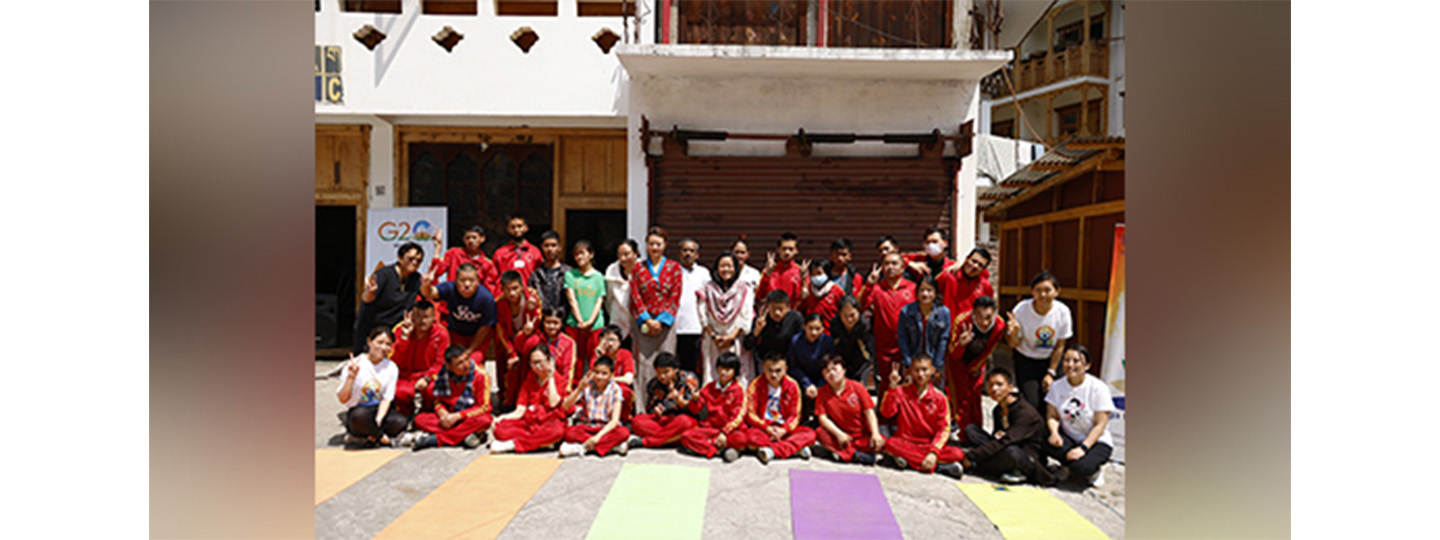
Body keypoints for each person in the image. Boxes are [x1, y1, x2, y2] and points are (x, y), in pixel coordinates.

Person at [960, 367, 1055, 485]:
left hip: (1025, 457)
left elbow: (1006, 441)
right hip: (1004, 448)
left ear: (1010, 387)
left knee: (1011, 453)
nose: (994, 389)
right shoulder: (998, 410)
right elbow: (996, 437)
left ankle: (976, 464)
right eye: (990, 385)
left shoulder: (1026, 413)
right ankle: (984, 463)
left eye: (999, 385)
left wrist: (971, 455)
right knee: (971, 430)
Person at [879, 354, 964, 478]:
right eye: (916, 370)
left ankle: (909, 462)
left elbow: (943, 429)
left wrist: (933, 453)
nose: (920, 374)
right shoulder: (901, 391)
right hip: (905, 442)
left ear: (932, 370)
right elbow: (886, 413)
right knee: (890, 444)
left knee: (958, 453)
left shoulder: (940, 398)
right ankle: (939, 467)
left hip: (928, 444)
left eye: (924, 369)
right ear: (910, 371)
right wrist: (892, 387)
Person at [1044, 344, 1115, 487]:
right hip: (1070, 438)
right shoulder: (1057, 386)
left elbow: (1101, 424)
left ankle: (1093, 470)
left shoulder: (1098, 388)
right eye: (1066, 360)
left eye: (1076, 361)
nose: (1070, 365)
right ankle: (1067, 464)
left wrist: (1083, 448)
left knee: (1082, 467)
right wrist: (1054, 433)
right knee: (1042, 438)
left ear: (1087, 365)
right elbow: (1052, 415)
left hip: (1095, 441)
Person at [630, 227, 683, 410]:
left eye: (658, 244)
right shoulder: (638, 268)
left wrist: (661, 321)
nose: (654, 247)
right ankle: (642, 409)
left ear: (665, 245)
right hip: (644, 325)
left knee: (667, 365)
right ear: (646, 245)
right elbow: (635, 295)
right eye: (651, 244)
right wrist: (646, 319)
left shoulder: (674, 268)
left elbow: (675, 295)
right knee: (644, 366)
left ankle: (669, 408)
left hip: (665, 326)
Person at [1005, 270, 1074, 412]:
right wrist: (1014, 333)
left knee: (1055, 401)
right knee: (1032, 404)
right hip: (1026, 359)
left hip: (1051, 359)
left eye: (1048, 290)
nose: (1043, 295)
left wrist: (1051, 373)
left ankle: (1054, 433)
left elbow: (1060, 346)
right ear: (1032, 292)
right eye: (1038, 290)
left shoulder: (1063, 312)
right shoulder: (1021, 310)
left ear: (1057, 292)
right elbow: (1013, 344)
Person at [404, 345, 493, 451]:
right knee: (420, 419)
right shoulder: (443, 375)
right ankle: (466, 436)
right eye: (459, 363)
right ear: (449, 366)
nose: (466, 365)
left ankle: (436, 439)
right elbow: (438, 401)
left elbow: (484, 407)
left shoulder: (480, 376)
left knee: (485, 420)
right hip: (449, 417)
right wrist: (442, 413)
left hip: (467, 417)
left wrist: (457, 416)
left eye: (466, 359)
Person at [736, 354, 816, 464]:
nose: (773, 375)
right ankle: (795, 449)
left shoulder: (792, 385)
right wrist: (767, 428)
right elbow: (750, 414)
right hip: (764, 429)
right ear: (763, 368)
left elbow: (795, 415)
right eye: (770, 370)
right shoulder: (755, 384)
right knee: (750, 438)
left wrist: (784, 430)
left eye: (778, 371)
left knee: (810, 434)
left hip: (784, 428)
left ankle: (771, 451)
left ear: (785, 370)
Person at [490, 345, 569, 454]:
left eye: (540, 362)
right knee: (500, 429)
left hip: (549, 422)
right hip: (530, 423)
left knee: (557, 432)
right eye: (534, 363)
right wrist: (503, 417)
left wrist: (550, 378)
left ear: (549, 361)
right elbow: (520, 410)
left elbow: (553, 403)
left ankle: (514, 445)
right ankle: (540, 443)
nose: (537, 366)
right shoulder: (530, 378)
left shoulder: (558, 378)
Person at [355, 242, 431, 353]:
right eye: (410, 259)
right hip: (371, 328)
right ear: (399, 258)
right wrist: (369, 291)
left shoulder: (417, 279)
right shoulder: (384, 274)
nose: (415, 262)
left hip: (394, 331)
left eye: (418, 260)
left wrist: (426, 284)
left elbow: (426, 295)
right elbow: (367, 298)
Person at [337, 327, 406, 447]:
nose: (383, 348)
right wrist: (351, 377)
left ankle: (367, 436)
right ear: (369, 341)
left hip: (378, 409)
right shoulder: (356, 363)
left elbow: (386, 399)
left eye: (388, 344)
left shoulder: (392, 367)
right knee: (359, 417)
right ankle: (380, 437)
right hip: (359, 410)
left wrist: (379, 419)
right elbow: (342, 399)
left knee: (400, 422)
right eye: (379, 342)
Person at [947, 296, 1006, 434]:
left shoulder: (999, 324)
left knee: (975, 395)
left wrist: (976, 365)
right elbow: (952, 353)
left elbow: (990, 348)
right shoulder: (962, 321)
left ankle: (977, 430)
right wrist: (961, 344)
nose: (984, 322)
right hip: (958, 361)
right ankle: (964, 432)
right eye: (979, 317)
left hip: (979, 360)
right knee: (961, 398)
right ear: (973, 314)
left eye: (988, 317)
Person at [859, 252, 916, 394]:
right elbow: (862, 304)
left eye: (894, 263)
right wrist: (869, 284)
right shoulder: (876, 289)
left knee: (908, 384)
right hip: (883, 347)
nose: (890, 267)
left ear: (902, 268)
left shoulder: (912, 288)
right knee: (885, 384)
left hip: (907, 347)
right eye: (886, 264)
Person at [813, 355, 885, 465]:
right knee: (819, 433)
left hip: (861, 435)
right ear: (823, 375)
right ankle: (855, 455)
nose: (831, 373)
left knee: (884, 442)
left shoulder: (857, 387)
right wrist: (839, 434)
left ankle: (844, 454)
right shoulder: (822, 392)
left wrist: (875, 434)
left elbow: (869, 412)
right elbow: (823, 418)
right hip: (840, 436)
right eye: (827, 371)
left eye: (834, 369)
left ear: (844, 370)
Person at [679, 352, 749, 462]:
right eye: (721, 368)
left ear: (735, 371)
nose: (723, 372)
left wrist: (724, 432)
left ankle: (711, 447)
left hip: (731, 430)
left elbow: (738, 416)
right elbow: (695, 409)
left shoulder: (739, 390)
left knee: (741, 439)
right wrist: (695, 399)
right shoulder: (709, 387)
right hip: (712, 428)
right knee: (686, 436)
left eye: (728, 369)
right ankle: (719, 450)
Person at [697, 251, 754, 386]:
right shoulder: (707, 289)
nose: (726, 269)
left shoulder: (744, 288)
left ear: (736, 268)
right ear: (716, 268)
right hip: (713, 342)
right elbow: (702, 315)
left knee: (737, 376)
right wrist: (714, 336)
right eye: (722, 266)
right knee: (713, 375)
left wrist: (730, 338)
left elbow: (745, 315)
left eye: (730, 266)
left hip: (736, 341)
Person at [421, 263, 496, 364]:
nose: (467, 284)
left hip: (478, 336)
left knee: (473, 363)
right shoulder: (450, 288)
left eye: (472, 280)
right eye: (462, 280)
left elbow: (485, 328)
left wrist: (469, 351)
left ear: (478, 281)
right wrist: (426, 284)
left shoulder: (486, 298)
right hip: (456, 333)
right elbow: (429, 293)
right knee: (455, 363)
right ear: (455, 280)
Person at [558, 356, 630, 458]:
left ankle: (584, 447)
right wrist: (579, 389)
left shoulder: (615, 389)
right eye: (596, 372)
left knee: (623, 432)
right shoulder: (587, 385)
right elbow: (565, 406)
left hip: (606, 429)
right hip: (587, 427)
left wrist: (597, 437)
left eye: (604, 373)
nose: (599, 377)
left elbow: (614, 421)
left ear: (611, 375)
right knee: (568, 432)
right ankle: (610, 447)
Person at [388, 300, 449, 417]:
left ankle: (425, 413)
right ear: (412, 316)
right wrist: (404, 338)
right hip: (405, 375)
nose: (422, 321)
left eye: (426, 317)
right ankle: (406, 414)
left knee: (433, 391)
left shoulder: (441, 334)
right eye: (418, 317)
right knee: (400, 392)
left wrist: (427, 378)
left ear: (433, 318)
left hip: (428, 375)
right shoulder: (400, 330)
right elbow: (393, 361)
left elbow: (440, 363)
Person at [628, 353, 700, 448]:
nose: (662, 376)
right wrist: (656, 412)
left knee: (687, 423)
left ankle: (647, 442)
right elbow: (650, 410)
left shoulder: (689, 379)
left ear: (676, 369)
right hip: (664, 422)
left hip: (680, 420)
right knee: (637, 421)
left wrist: (679, 400)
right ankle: (671, 439)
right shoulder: (653, 384)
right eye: (658, 372)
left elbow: (695, 409)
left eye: (666, 372)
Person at [495, 270, 543, 409]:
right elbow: (501, 331)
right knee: (503, 355)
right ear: (502, 289)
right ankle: (506, 397)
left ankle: (528, 396)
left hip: (528, 337)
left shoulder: (532, 299)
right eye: (508, 289)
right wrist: (511, 353)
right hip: (509, 339)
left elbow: (537, 322)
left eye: (515, 288)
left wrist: (529, 330)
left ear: (522, 287)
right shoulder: (499, 304)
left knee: (531, 346)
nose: (512, 293)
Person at [564, 240, 607, 375]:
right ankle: (575, 391)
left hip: (595, 326)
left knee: (595, 360)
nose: (579, 257)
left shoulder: (599, 277)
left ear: (591, 255)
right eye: (576, 254)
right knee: (576, 361)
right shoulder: (570, 275)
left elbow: (599, 301)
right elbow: (572, 299)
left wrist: (589, 322)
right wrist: (580, 321)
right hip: (574, 325)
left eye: (582, 253)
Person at [896, 275, 951, 380]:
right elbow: (902, 338)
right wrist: (908, 363)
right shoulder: (906, 311)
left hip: (934, 362)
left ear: (935, 293)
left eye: (929, 290)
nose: (925, 294)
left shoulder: (944, 312)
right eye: (922, 290)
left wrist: (937, 365)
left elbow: (943, 340)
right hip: (912, 362)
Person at [742, 290, 803, 376]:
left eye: (780, 309)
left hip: (788, 362)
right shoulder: (761, 320)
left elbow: (801, 343)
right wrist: (756, 331)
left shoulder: (796, 319)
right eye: (773, 308)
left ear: (788, 307)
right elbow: (747, 345)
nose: (777, 313)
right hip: (765, 361)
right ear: (767, 307)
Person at [674, 238, 711, 375]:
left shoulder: (704, 273)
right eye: (684, 250)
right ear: (679, 253)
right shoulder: (673, 271)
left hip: (696, 327)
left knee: (694, 367)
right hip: (675, 327)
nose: (688, 254)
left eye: (691, 251)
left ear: (697, 255)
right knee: (676, 367)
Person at [787, 313, 834, 423]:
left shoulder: (828, 342)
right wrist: (807, 384)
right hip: (802, 378)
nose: (813, 332)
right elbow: (794, 366)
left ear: (823, 329)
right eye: (810, 328)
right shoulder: (796, 341)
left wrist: (820, 385)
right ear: (804, 327)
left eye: (817, 329)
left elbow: (829, 365)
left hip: (822, 379)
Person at [429, 226, 500, 297]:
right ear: (463, 240)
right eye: (467, 238)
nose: (471, 241)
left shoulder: (487, 264)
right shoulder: (453, 253)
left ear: (482, 239)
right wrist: (437, 250)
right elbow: (436, 272)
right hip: (451, 300)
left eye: (474, 237)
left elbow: (489, 290)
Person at [526, 307, 579, 395]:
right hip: (536, 384)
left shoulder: (568, 343)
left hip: (557, 384)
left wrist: (565, 390)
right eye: (548, 322)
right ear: (543, 323)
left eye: (555, 323)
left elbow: (568, 369)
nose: (551, 326)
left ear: (561, 324)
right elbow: (521, 349)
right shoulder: (536, 339)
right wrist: (525, 334)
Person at [828, 295, 877, 390]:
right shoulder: (835, 324)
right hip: (842, 361)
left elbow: (868, 351)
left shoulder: (865, 325)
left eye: (852, 315)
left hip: (861, 363)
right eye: (845, 316)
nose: (849, 320)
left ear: (859, 312)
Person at [591, 325, 637, 422]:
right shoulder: (597, 354)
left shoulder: (625, 354)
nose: (610, 344)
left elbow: (628, 379)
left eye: (613, 340)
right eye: (607, 340)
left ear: (620, 342)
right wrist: (599, 357)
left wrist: (608, 379)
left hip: (618, 389)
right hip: (599, 388)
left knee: (624, 392)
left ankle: (621, 420)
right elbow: (591, 377)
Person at [937, 247, 996, 319]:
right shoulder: (949, 275)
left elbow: (988, 311)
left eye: (980, 265)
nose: (975, 266)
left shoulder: (985, 286)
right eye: (973, 261)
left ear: (983, 269)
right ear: (966, 259)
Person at [528, 230, 572, 322]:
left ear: (560, 247)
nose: (550, 249)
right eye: (546, 246)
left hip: (565, 321)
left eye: (553, 245)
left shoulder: (569, 273)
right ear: (541, 248)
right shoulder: (536, 275)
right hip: (543, 322)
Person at [603, 239, 640, 346]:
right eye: (619, 255)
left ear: (636, 254)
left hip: (638, 323)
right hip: (617, 321)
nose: (622, 259)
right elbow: (608, 299)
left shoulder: (643, 270)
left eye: (626, 254)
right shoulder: (611, 271)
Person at [756, 232, 803, 311]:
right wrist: (767, 275)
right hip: (772, 315)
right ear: (778, 250)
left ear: (796, 251)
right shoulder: (768, 271)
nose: (787, 252)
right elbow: (759, 296)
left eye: (791, 249)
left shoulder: (801, 272)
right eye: (784, 249)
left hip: (791, 315)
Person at [493, 215, 543, 285]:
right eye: (512, 227)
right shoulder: (500, 253)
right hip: (507, 294)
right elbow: (493, 278)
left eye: (519, 226)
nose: (516, 230)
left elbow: (541, 277)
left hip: (529, 294)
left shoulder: (535, 252)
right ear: (508, 229)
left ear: (526, 228)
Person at [798, 259, 845, 333]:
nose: (816, 276)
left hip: (830, 334)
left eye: (819, 273)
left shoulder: (837, 291)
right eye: (813, 274)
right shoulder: (807, 290)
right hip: (811, 334)